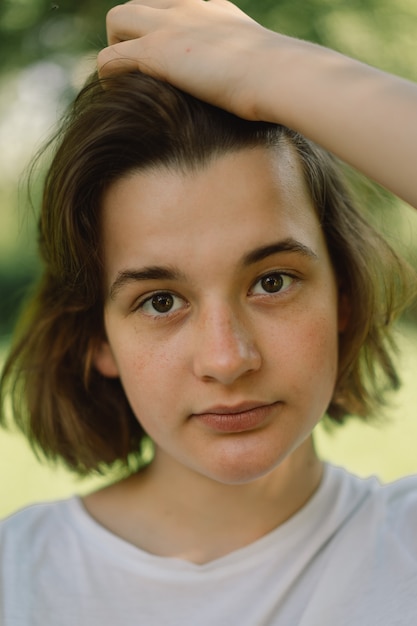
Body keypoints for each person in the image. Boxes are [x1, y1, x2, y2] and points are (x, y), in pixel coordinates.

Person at [0, 0, 416, 624]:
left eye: (271, 282)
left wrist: (272, 70)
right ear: (98, 338)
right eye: (160, 301)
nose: (227, 359)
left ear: (344, 296)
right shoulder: (17, 581)